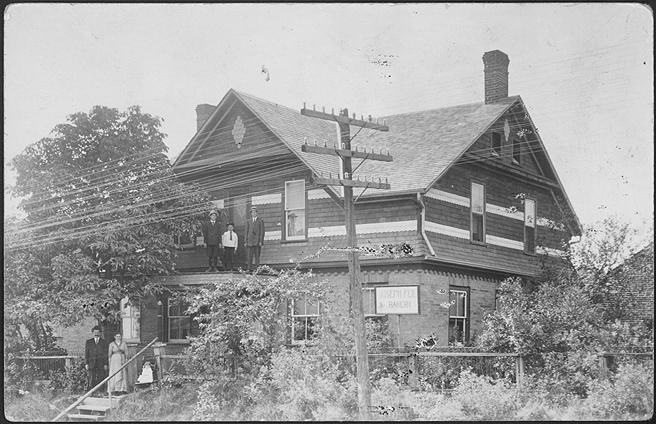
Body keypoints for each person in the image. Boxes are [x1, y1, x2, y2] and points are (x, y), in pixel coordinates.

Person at [84, 325, 108, 392]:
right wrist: (86, 363)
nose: (96, 334)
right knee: (91, 377)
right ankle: (91, 391)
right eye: (95, 332)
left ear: (100, 333)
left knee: (101, 377)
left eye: (98, 332)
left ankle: (101, 391)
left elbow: (105, 354)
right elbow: (86, 354)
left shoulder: (104, 342)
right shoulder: (89, 342)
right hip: (91, 363)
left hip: (101, 363)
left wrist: (105, 364)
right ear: (92, 333)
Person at [245, 206, 265, 271]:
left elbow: (262, 232)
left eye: (254, 212)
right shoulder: (248, 221)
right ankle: (249, 268)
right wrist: (245, 241)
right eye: (252, 212)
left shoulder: (260, 221)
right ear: (251, 213)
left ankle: (257, 269)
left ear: (257, 213)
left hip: (257, 242)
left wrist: (261, 241)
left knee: (257, 256)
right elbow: (246, 232)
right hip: (250, 242)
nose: (253, 213)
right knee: (249, 256)